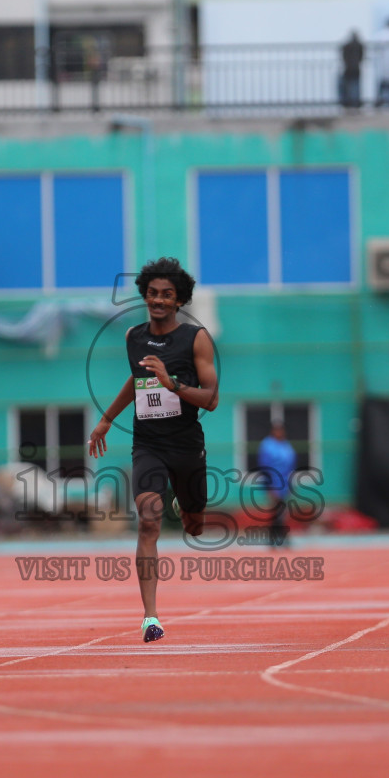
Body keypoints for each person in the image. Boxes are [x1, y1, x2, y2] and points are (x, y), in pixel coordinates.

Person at [88, 257, 219, 643]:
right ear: (144, 294)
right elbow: (136, 380)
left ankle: (185, 505)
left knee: (195, 527)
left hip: (186, 444)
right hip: (148, 444)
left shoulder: (196, 339)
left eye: (167, 295)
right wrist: (107, 418)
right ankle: (150, 617)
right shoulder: (133, 336)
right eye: (152, 293)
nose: (158, 300)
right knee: (148, 519)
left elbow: (211, 399)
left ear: (180, 301)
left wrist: (172, 383)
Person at [255, 421, 297, 546]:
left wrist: (290, 484)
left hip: (285, 483)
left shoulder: (286, 445)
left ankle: (278, 537)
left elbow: (291, 465)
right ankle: (277, 537)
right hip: (273, 483)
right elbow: (264, 466)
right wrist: (269, 486)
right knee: (278, 511)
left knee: (281, 511)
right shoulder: (267, 446)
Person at [339, 31, 364, 109]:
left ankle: (350, 102)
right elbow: (361, 56)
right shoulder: (360, 46)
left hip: (348, 68)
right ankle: (355, 102)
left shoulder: (347, 46)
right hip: (355, 68)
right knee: (355, 86)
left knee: (350, 86)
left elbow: (343, 55)